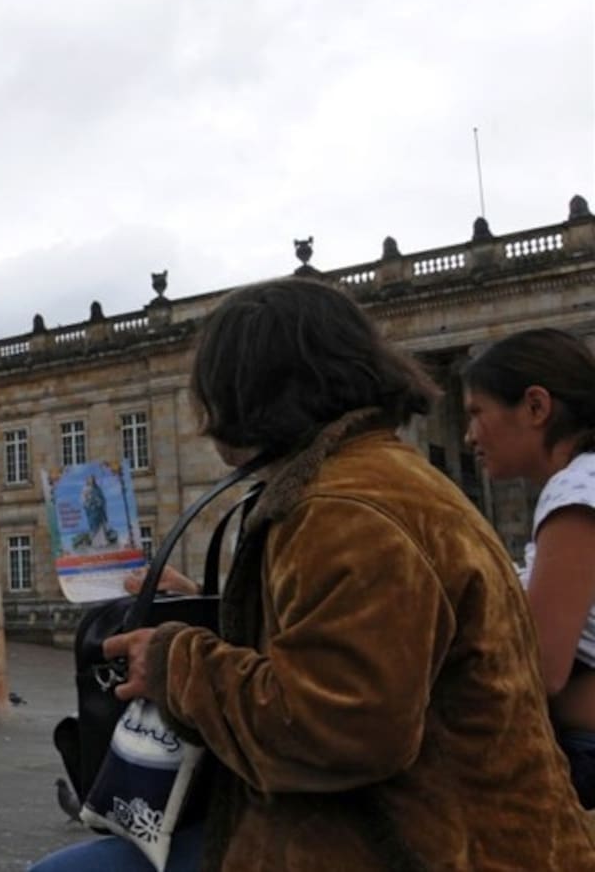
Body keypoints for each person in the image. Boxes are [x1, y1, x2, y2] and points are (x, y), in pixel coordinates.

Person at [31, 279, 594, 871]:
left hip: (417, 844)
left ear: (248, 393)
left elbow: (344, 727)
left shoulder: (344, 509)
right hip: (426, 824)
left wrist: (176, 664)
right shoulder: (380, 479)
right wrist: (213, 609)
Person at [462, 327, 595, 808]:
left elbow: (538, 669)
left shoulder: (574, 494)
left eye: (477, 413)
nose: (469, 435)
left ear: (536, 407)